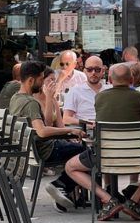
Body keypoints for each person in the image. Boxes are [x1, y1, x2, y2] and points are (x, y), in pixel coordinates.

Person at [65, 63, 140, 221]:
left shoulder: (100, 97)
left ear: (110, 80)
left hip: (104, 156)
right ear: (131, 80)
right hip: (137, 155)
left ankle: (107, 199)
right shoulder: (139, 97)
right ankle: (134, 200)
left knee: (70, 167)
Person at [8, 61, 86, 212]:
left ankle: (67, 192)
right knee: (87, 153)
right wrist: (70, 132)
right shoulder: (30, 103)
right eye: (41, 79)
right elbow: (42, 131)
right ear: (31, 80)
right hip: (46, 150)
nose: (42, 82)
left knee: (80, 150)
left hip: (32, 150)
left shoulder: (15, 98)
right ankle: (61, 185)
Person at [62, 56, 109, 128]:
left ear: (102, 71)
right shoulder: (75, 91)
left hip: (109, 129)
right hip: (85, 132)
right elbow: (66, 119)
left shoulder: (110, 90)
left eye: (97, 69)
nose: (93, 73)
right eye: (90, 69)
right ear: (84, 71)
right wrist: (87, 124)